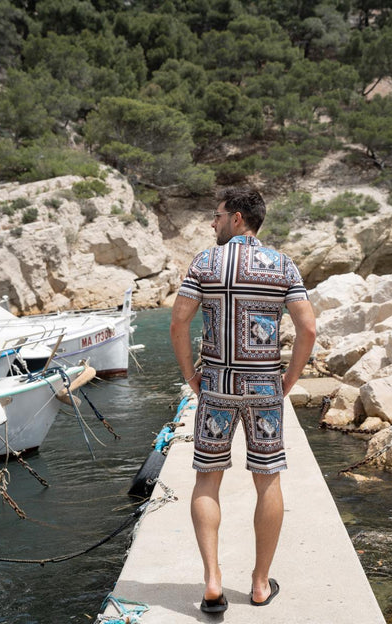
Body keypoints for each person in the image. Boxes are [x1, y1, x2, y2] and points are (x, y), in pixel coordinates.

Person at [170, 187, 316, 613]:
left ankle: (213, 581)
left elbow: (179, 323)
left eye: (216, 216)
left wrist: (191, 376)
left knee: (207, 478)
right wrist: (288, 379)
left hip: (216, 385)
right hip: (264, 389)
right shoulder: (283, 265)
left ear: (236, 218)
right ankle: (259, 584)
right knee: (267, 479)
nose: (212, 223)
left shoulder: (205, 262)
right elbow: (308, 329)